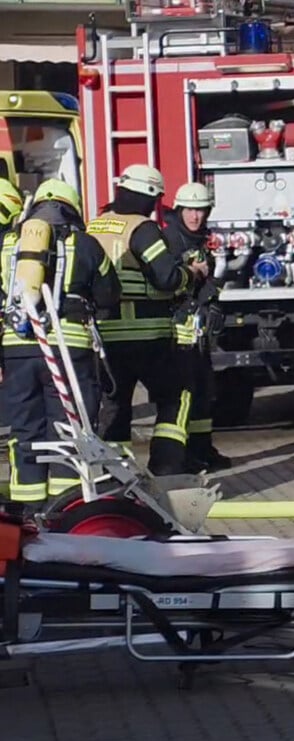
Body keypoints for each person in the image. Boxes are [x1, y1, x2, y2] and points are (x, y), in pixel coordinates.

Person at [0, 179, 120, 514]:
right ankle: (66, 508)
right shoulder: (85, 244)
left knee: (24, 429)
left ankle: (26, 510)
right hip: (69, 348)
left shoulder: (9, 244)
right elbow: (110, 291)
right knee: (68, 429)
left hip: (17, 349)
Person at [87, 164, 207, 475]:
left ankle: (115, 478)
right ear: (150, 197)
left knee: (114, 409)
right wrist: (190, 274)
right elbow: (166, 278)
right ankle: (166, 469)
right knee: (177, 396)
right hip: (147, 336)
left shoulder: (95, 226)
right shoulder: (142, 228)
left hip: (105, 337)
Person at [162, 182, 231, 471]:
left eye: (201, 210)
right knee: (184, 395)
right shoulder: (170, 240)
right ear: (180, 210)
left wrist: (213, 301)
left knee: (204, 391)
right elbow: (167, 281)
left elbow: (212, 278)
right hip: (177, 332)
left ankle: (203, 449)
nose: (195, 216)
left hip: (197, 331)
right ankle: (181, 456)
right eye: (190, 210)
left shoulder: (201, 240)